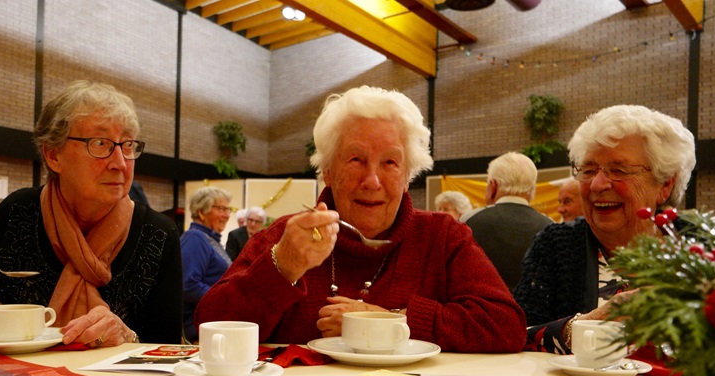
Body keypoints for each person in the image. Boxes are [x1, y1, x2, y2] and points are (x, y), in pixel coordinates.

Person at [195, 86, 526, 353]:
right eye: (355, 159)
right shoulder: (287, 236)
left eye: (390, 162)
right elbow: (207, 328)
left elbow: (506, 326)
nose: (372, 181)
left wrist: (391, 322)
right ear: (327, 170)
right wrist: (282, 267)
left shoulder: (442, 236)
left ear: (408, 173)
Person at [0, 80, 182, 347]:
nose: (120, 163)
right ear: (53, 155)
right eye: (100, 143)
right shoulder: (17, 214)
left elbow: (168, 348)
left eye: (128, 145)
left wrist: (128, 337)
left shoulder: (158, 234)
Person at [514, 104, 696, 353]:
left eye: (619, 170)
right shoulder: (556, 245)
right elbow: (514, 334)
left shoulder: (704, 246)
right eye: (588, 170)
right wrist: (584, 326)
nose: (598, 184)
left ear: (665, 184)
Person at [464, 152, 554, 291]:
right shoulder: (551, 226)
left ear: (492, 186)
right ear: (532, 190)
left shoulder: (469, 221)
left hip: (484, 309)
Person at [181, 186, 234, 342]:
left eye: (227, 209)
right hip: (200, 329)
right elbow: (187, 285)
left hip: (212, 326)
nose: (226, 215)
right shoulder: (195, 238)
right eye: (220, 209)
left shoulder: (209, 239)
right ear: (201, 212)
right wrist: (223, 299)